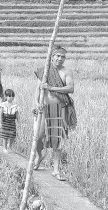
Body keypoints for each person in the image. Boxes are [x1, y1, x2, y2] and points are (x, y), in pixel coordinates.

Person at [33, 46, 77, 181]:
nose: (60, 58)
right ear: (52, 57)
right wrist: (37, 102)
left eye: (62, 56)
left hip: (60, 109)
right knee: (38, 137)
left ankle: (56, 170)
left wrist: (51, 88)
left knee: (57, 140)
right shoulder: (44, 71)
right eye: (57, 55)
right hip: (44, 108)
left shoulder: (67, 71)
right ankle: (39, 156)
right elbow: (38, 89)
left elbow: (70, 88)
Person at [0, 89, 19, 154]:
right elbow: (0, 114)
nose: (11, 97)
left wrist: (19, 121)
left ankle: (9, 145)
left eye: (12, 96)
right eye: (9, 96)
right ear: (6, 96)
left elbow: (17, 115)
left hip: (12, 122)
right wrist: (0, 122)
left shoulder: (15, 106)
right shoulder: (3, 105)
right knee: (5, 135)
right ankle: (4, 148)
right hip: (5, 121)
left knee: (12, 135)